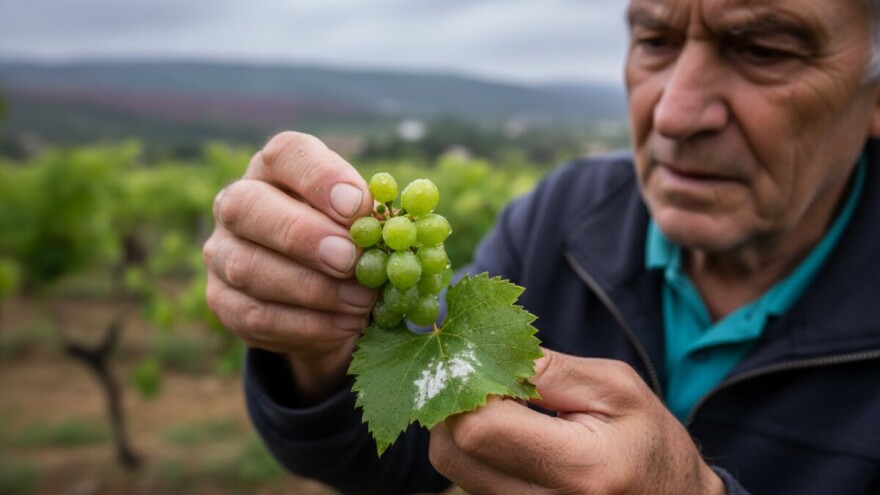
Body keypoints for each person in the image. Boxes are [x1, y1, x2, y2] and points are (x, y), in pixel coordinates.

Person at [202, 0, 880, 492]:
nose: (673, 112)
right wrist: (318, 354)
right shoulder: (560, 217)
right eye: (654, 38)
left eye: (763, 50)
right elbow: (393, 450)